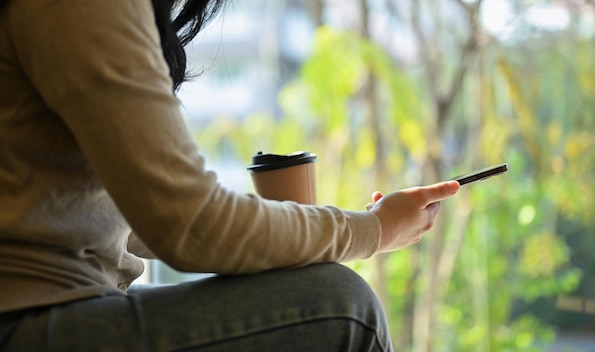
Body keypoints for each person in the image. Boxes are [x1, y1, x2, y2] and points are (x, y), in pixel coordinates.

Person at [0, 0, 460, 350]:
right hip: (27, 319)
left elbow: (139, 218)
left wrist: (283, 229)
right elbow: (188, 225)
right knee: (341, 304)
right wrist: (374, 230)